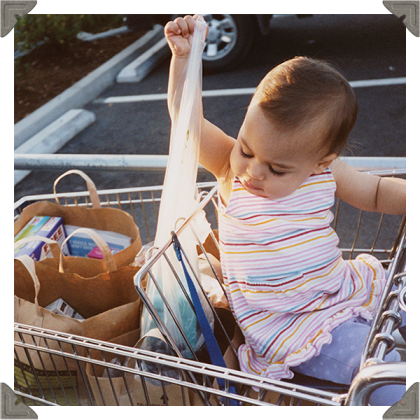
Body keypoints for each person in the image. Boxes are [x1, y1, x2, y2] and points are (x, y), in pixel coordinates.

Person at [164, 15, 406, 405]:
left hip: (338, 289)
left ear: (320, 163)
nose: (254, 171)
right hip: (287, 326)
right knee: (377, 367)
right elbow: (185, 120)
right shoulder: (230, 168)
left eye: (277, 169)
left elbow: (376, 193)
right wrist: (183, 60)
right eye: (247, 148)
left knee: (403, 305)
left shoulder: (326, 173)